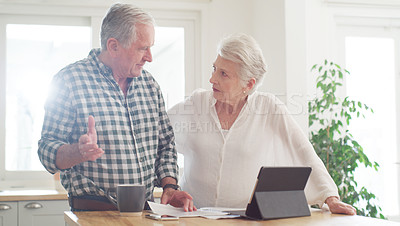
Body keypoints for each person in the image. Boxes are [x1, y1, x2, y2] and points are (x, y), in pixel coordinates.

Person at [168, 33, 356, 215]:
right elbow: (157, 135)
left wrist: (330, 197)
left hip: (245, 220)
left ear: (248, 84)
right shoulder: (197, 103)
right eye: (214, 68)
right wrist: (169, 185)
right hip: (194, 216)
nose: (212, 79)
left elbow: (303, 151)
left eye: (223, 74)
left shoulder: (269, 108)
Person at [38, 3, 195, 212]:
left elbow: (165, 145)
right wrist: (79, 151)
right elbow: (46, 149)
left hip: (144, 212)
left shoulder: (149, 85)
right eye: (142, 48)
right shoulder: (69, 81)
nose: (149, 57)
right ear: (113, 46)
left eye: (150, 47)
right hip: (93, 214)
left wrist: (170, 186)